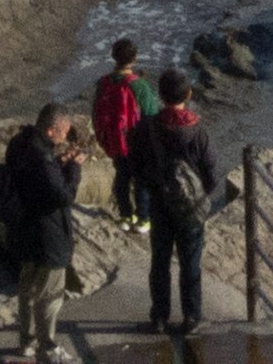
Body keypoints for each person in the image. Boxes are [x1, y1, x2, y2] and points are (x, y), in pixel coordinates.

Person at [0, 100, 83, 359]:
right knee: (49, 295)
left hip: (23, 228)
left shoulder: (20, 144)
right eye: (64, 131)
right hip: (48, 234)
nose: (65, 136)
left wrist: (59, 162)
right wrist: (74, 168)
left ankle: (26, 339)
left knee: (27, 287)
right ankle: (49, 347)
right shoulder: (42, 158)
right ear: (51, 130)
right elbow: (63, 196)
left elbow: (40, 180)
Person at [134, 66, 219, 342]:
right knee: (190, 262)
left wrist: (151, 190)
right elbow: (210, 173)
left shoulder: (149, 127)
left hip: (160, 204)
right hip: (191, 208)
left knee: (160, 262)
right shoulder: (198, 131)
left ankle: (159, 317)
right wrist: (200, 193)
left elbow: (139, 165)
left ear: (160, 95)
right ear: (189, 94)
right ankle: (192, 317)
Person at [91, 37, 146, 229]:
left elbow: (96, 111)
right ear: (135, 58)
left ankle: (125, 216)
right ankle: (143, 219)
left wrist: (102, 138)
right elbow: (152, 114)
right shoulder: (139, 85)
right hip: (137, 143)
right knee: (141, 181)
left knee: (121, 177)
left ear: (113, 57)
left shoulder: (103, 83)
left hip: (114, 140)